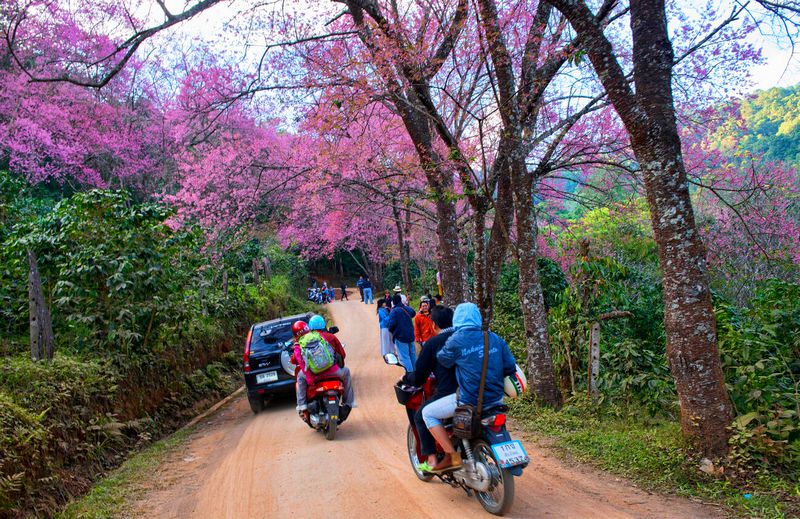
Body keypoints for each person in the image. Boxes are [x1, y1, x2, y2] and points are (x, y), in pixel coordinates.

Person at [421, 302, 517, 473]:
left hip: (469, 400)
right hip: (496, 400)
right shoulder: (493, 337)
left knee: (427, 413)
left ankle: (451, 455)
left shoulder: (456, 340)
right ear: (478, 318)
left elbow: (443, 360)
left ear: (457, 319)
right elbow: (510, 367)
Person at [403, 306, 456, 472]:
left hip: (451, 394)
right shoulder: (467, 338)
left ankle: (434, 459)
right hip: (480, 392)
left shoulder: (434, 343)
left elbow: (419, 376)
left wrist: (406, 377)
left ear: (433, 324)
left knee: (421, 415)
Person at [293, 315, 356, 423]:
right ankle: (348, 403)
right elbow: (342, 354)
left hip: (314, 375)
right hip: (333, 372)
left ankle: (302, 405)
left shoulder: (301, 343)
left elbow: (297, 360)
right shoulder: (327, 337)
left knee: (300, 378)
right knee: (346, 372)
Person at [386, 294, 416, 372]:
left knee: (405, 357)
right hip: (411, 335)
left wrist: (391, 331)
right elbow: (413, 313)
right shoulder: (405, 308)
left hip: (400, 337)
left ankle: (409, 375)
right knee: (413, 355)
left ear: (393, 302)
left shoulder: (394, 311)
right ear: (400, 300)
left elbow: (391, 325)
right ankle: (416, 374)